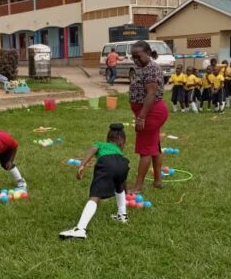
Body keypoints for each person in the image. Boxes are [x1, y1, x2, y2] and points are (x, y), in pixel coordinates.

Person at [59, 124, 130, 240]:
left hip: (106, 164)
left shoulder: (101, 144)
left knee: (95, 196)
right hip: (124, 164)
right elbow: (122, 180)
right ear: (121, 142)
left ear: (108, 139)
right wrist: (126, 193)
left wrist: (82, 165)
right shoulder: (119, 153)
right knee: (118, 186)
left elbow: (93, 149)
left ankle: (80, 229)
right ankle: (122, 215)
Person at [128, 40, 168, 193]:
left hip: (151, 113)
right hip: (150, 112)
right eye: (133, 57)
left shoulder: (151, 69)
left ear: (149, 53)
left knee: (145, 149)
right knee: (154, 146)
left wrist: (141, 117)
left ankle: (138, 186)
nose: (135, 60)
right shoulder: (145, 67)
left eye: (138, 56)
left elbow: (151, 94)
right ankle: (157, 181)